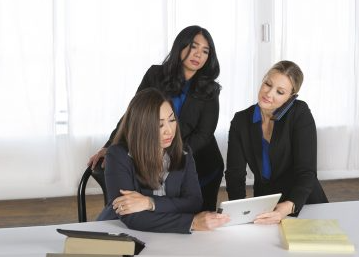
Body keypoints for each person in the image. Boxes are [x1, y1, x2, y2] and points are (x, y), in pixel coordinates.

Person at [89, 25, 224, 211]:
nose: (198, 55)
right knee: (156, 210)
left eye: (205, 51)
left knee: (198, 216)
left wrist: (170, 154)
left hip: (200, 161)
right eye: (193, 47)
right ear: (181, 46)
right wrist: (110, 145)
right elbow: (133, 114)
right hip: (158, 159)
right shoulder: (155, 75)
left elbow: (204, 134)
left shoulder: (211, 89)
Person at [97, 88, 229, 233]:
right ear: (142, 127)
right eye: (160, 125)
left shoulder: (184, 152)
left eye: (172, 120)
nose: (169, 131)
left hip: (167, 234)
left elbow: (194, 202)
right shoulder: (118, 155)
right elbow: (131, 217)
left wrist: (149, 203)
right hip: (120, 232)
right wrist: (190, 223)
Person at [224, 60, 328, 225]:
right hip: (266, 205)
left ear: (290, 97)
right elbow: (235, 174)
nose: (269, 94)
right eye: (267, 84)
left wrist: (287, 207)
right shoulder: (241, 121)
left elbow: (307, 172)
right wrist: (239, 212)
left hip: (301, 201)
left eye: (280, 92)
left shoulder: (300, 114)